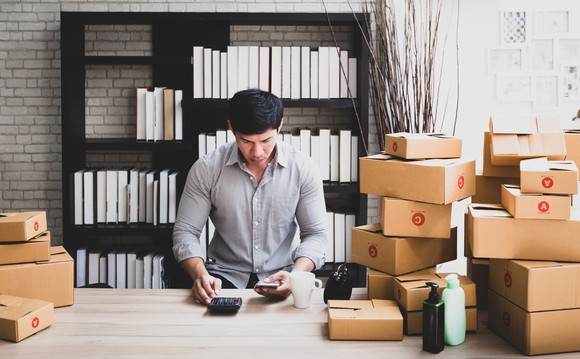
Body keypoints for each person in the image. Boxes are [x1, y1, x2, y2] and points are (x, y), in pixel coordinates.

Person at [172, 89, 327, 305]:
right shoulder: (207, 169)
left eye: (266, 140)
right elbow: (186, 232)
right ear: (231, 128)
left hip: (283, 277)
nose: (257, 152)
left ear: (280, 125)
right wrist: (200, 274)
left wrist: (296, 276)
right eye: (246, 141)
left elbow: (316, 235)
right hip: (223, 278)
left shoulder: (303, 169)